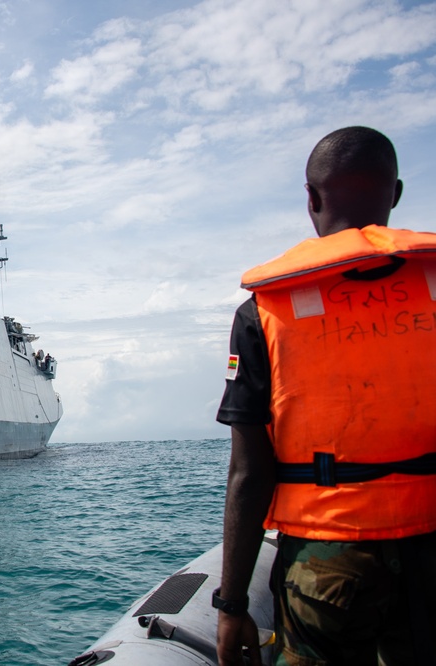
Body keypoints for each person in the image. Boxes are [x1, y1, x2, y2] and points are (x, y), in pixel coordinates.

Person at [214, 126, 436, 665]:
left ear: (311, 198)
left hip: (327, 562)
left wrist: (232, 604)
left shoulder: (263, 312)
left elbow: (250, 472)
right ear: (397, 193)